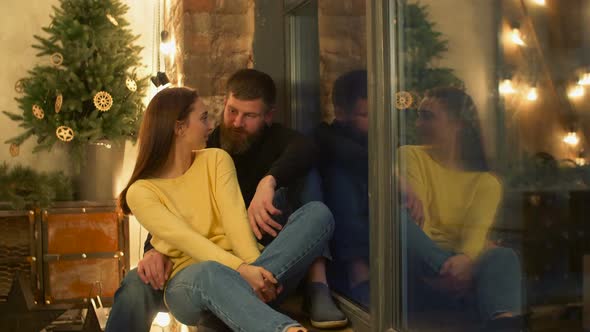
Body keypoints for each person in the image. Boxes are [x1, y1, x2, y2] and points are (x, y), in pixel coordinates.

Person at [106, 69, 347, 331]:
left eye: (249, 115)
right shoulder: (141, 191)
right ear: (179, 128)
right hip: (189, 281)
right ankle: (282, 328)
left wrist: (256, 271)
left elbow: (236, 224)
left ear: (267, 115)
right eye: (204, 118)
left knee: (317, 214)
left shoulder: (216, 159)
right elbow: (188, 240)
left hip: (250, 268)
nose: (212, 126)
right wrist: (245, 272)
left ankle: (231, 310)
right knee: (209, 272)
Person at [399, 87, 524, 331]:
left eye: (428, 116)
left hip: (460, 270)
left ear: (458, 125)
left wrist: (466, 260)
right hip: (422, 266)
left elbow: (472, 241)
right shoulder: (410, 155)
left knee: (504, 256)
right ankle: (452, 274)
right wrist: (455, 265)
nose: (418, 123)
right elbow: (418, 222)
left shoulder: (486, 182)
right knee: (396, 219)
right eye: (419, 115)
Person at [315, 70, 370, 308]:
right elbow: (349, 154)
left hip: (380, 231)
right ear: (340, 113)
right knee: (340, 173)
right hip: (340, 242)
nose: (375, 120)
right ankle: (357, 266)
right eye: (365, 114)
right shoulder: (326, 136)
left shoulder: (387, 138)